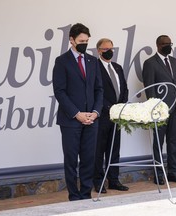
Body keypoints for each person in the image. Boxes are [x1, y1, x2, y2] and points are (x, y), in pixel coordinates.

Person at [52, 23, 103, 201]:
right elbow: (60, 91)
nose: (85, 44)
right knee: (71, 160)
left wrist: (95, 112)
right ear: (71, 40)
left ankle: (86, 194)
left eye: (87, 41)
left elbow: (99, 90)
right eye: (81, 41)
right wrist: (77, 114)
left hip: (91, 120)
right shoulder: (61, 61)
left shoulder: (93, 61)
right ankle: (74, 196)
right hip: (71, 121)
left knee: (89, 159)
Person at [142, 35, 176, 185]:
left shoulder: (175, 62)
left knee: (173, 142)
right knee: (158, 142)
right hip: (160, 111)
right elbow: (149, 88)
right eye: (165, 44)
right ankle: (158, 174)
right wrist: (154, 109)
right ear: (158, 45)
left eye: (170, 43)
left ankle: (172, 172)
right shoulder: (150, 63)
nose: (168, 46)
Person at [94, 38, 129, 193]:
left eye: (111, 48)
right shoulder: (94, 67)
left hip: (117, 115)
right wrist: (109, 107)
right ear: (98, 51)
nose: (109, 51)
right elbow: (96, 91)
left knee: (114, 149)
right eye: (105, 49)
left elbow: (124, 88)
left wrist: (121, 105)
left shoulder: (117, 67)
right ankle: (99, 182)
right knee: (99, 150)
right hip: (102, 115)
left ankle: (113, 180)